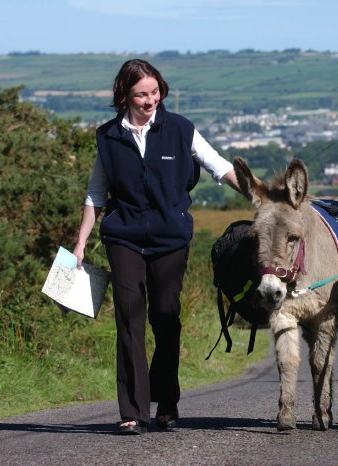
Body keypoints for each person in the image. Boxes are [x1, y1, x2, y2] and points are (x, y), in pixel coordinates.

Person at [73, 59, 240, 435]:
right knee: (129, 318)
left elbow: (219, 166)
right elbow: (96, 194)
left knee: (165, 317)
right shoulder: (109, 137)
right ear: (124, 96)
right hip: (124, 238)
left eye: (155, 92)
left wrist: (260, 194)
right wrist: (81, 242)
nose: (150, 101)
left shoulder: (180, 129)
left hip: (170, 239)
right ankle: (132, 410)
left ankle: (166, 399)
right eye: (141, 95)